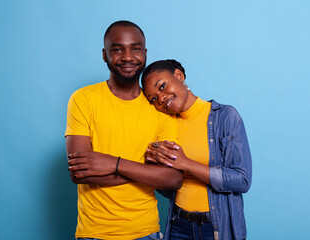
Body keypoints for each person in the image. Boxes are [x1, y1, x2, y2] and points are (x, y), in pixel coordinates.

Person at [65, 22, 183, 240]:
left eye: (135, 49)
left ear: (145, 53)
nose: (128, 57)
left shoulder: (160, 107)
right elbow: (80, 173)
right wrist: (147, 171)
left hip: (146, 231)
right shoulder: (83, 99)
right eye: (118, 49)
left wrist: (113, 163)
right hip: (94, 233)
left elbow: (173, 178)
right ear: (104, 55)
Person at [142, 59, 252, 240]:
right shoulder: (165, 128)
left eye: (162, 87)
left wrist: (186, 163)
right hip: (179, 226)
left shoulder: (225, 117)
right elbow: (172, 188)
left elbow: (242, 180)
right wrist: (154, 170)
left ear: (179, 76)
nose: (160, 99)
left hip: (216, 228)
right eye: (153, 98)